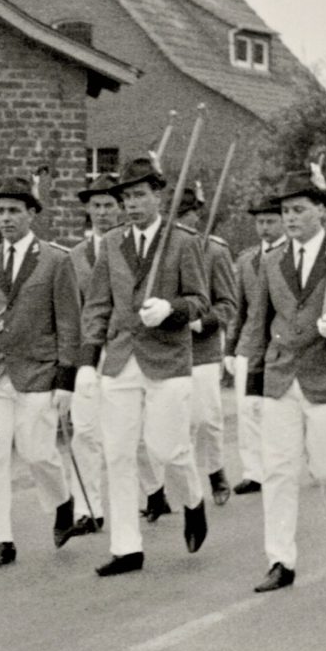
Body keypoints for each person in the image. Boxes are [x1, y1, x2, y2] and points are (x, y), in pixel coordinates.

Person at [238, 168, 326, 592]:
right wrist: (253, 378)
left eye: (299, 209)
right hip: (282, 377)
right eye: (285, 211)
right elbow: (261, 321)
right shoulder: (270, 260)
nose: (290, 218)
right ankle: (280, 560)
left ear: (321, 211)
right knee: (279, 471)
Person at [80, 156, 210, 577]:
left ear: (158, 196)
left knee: (165, 449)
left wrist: (171, 309)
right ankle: (126, 548)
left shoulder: (183, 242)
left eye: (139, 196)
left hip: (167, 359)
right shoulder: (112, 244)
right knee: (117, 454)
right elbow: (98, 304)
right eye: (126, 197)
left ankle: (192, 500)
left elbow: (201, 302)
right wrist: (87, 359)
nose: (131, 204)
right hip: (119, 359)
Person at [0, 177, 81, 569]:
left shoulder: (56, 260)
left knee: (37, 452)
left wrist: (66, 381)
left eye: (14, 211)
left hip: (38, 371)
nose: (6, 218)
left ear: (32, 214)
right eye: (0, 212)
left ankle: (62, 502)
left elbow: (69, 324)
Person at [66, 174, 125, 535]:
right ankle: (88, 509)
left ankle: (154, 491)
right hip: (88, 353)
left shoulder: (131, 251)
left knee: (129, 437)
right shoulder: (74, 258)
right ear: (88, 210)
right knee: (84, 431)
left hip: (125, 351)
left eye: (110, 205)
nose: (103, 212)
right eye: (97, 205)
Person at [174, 185, 238, 506]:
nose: (182, 224)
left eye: (186, 217)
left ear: (196, 216)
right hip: (169, 348)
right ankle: (185, 488)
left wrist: (203, 322)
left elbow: (228, 304)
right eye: (176, 218)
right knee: (177, 421)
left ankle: (216, 472)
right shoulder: (165, 252)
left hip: (202, 348)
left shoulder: (213, 252)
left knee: (208, 417)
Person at [223, 195, 287, 496]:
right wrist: (230, 349)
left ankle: (289, 464)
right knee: (248, 410)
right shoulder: (247, 259)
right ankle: (254, 472)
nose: (264, 228)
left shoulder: (292, 256)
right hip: (250, 346)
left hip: (282, 347)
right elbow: (239, 308)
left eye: (270, 221)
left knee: (281, 410)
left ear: (284, 221)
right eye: (260, 222)